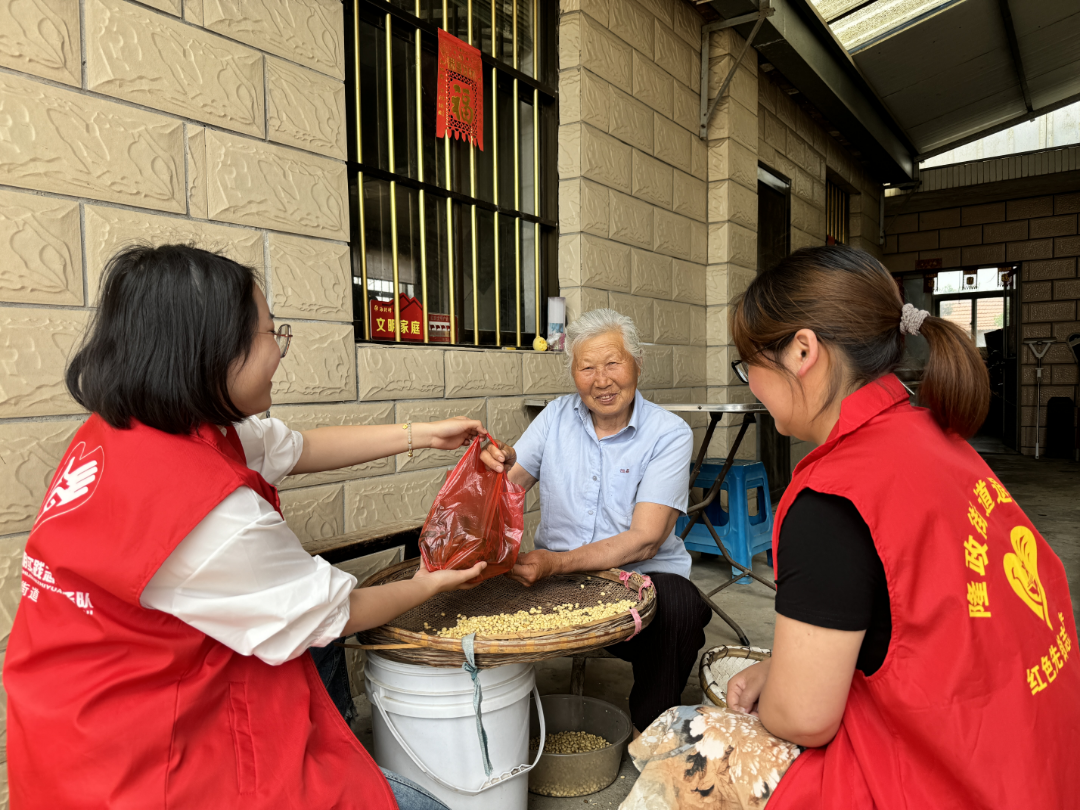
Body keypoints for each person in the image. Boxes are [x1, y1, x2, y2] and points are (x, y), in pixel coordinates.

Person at [3, 245, 482, 810]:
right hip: (142, 766)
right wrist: (431, 582)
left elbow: (294, 447)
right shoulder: (207, 515)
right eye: (269, 336)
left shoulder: (139, 426)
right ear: (208, 353)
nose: (280, 352)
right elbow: (332, 613)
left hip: (75, 724)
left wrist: (423, 434)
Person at [620, 245, 1080, 810]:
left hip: (946, 781)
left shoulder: (833, 496)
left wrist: (785, 683)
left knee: (681, 745)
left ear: (803, 350)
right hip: (1036, 761)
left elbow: (803, 719)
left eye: (751, 367)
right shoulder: (938, 437)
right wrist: (782, 667)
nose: (751, 387)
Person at [480, 308, 712, 733]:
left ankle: (651, 730)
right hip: (557, 585)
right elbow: (509, 488)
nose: (600, 380)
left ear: (637, 364)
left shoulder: (669, 433)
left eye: (612, 363)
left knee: (680, 604)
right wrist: (494, 468)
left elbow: (645, 542)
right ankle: (492, 728)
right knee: (472, 590)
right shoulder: (554, 418)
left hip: (635, 581)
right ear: (573, 372)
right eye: (586, 367)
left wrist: (556, 561)